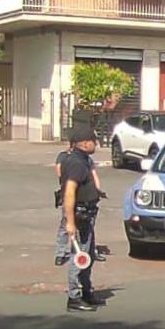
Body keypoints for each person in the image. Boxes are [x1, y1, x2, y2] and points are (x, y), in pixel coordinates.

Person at [56, 126, 106, 312]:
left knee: (88, 254)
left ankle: (86, 292)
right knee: (80, 257)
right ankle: (74, 297)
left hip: (87, 214)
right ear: (85, 143)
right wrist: (69, 222)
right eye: (94, 140)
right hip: (80, 214)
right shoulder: (77, 163)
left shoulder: (82, 160)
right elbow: (69, 193)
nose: (96, 143)